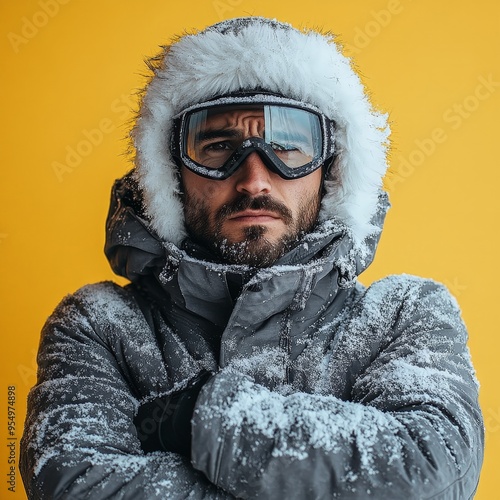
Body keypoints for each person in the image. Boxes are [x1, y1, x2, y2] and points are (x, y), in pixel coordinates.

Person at [20, 16, 483, 499]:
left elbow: (431, 471)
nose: (255, 181)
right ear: (171, 174)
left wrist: (197, 416)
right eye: (219, 148)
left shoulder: (405, 314)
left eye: (288, 146)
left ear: (333, 170)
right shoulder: (98, 326)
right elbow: (73, 486)